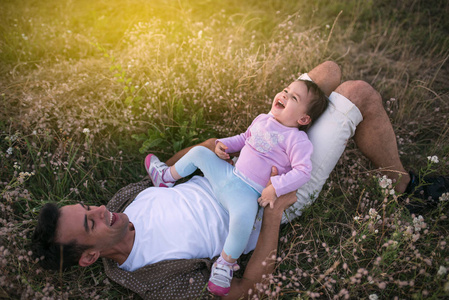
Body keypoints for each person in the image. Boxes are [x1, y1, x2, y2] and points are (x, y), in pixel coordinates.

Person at [32, 61, 449, 299]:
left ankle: (303, 126)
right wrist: (275, 210)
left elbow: (173, 171)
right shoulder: (151, 277)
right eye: (90, 222)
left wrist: (215, 146)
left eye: (88, 207)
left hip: (244, 161)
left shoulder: (123, 202)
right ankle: (402, 188)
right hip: (271, 195)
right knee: (357, 92)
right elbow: (250, 289)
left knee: (326, 73)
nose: (101, 210)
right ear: (88, 257)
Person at [144, 79, 328, 296]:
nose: (285, 95)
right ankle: (167, 176)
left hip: (247, 193)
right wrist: (224, 145)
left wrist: (276, 187)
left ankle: (225, 264)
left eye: (294, 97)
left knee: (242, 221)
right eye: (286, 90)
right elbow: (243, 138)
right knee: (199, 153)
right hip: (228, 174)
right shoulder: (262, 119)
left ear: (303, 119)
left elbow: (303, 171)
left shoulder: (297, 140)